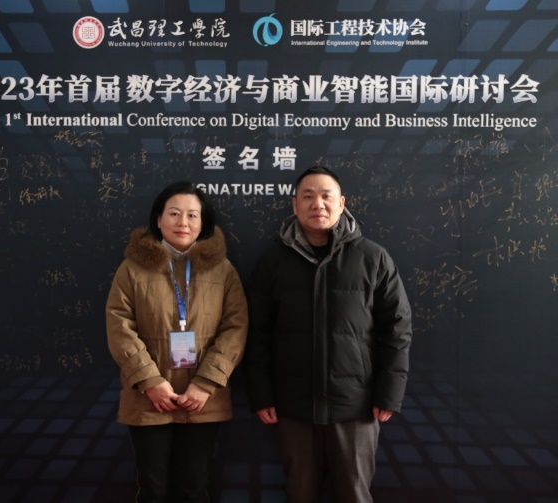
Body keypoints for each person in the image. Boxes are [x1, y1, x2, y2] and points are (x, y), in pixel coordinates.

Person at [243, 166, 412, 503]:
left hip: (356, 407)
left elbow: (397, 329)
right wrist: (261, 394)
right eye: (307, 196)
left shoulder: (373, 258)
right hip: (293, 406)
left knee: (354, 495)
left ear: (342, 203)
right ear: (294, 205)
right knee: (300, 494)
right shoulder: (274, 261)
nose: (317, 204)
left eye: (326, 196)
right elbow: (257, 333)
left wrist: (389, 393)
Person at [106, 181, 248, 503]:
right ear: (158, 219)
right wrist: (150, 381)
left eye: (192, 215)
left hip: (203, 401)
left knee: (194, 490)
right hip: (149, 399)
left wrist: (206, 383)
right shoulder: (132, 268)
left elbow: (236, 328)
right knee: (152, 490)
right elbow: (119, 326)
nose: (183, 222)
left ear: (203, 222)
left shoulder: (223, 270)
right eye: (174, 213)